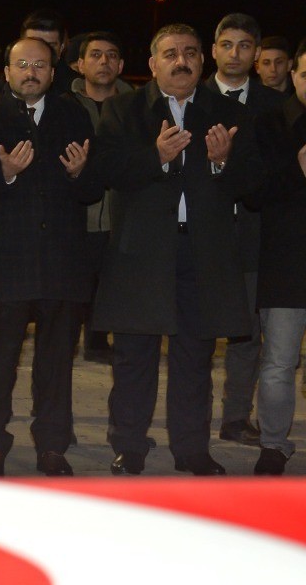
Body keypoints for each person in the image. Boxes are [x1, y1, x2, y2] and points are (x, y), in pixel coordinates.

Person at [93, 23, 260, 476]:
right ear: (152, 64)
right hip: (142, 256)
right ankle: (129, 445)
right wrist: (155, 156)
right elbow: (102, 169)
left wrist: (225, 162)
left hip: (202, 254)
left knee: (194, 359)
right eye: (169, 53)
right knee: (134, 359)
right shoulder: (123, 109)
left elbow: (255, 188)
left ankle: (191, 450)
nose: (180, 60)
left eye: (189, 52)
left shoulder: (226, 112)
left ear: (202, 61)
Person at [0, 38, 101, 476]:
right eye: (21, 64)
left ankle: (52, 445)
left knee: (56, 362)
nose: (30, 72)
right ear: (6, 71)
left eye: (39, 65)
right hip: (6, 261)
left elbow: (92, 190)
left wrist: (81, 173)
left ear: (53, 72)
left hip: (62, 261)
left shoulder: (73, 114)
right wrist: (3, 173)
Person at [205, 13, 287, 447]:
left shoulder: (275, 108)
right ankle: (191, 419)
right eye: (227, 44)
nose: (234, 53)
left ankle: (236, 417)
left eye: (244, 46)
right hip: (201, 235)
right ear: (214, 49)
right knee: (195, 334)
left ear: (256, 54)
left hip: (256, 235)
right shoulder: (190, 98)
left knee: (247, 335)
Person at [250, 42, 306, 475]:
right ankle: (273, 444)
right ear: (294, 75)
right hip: (288, 262)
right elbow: (253, 192)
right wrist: (297, 170)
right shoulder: (270, 124)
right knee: (278, 362)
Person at [70, 31, 133, 362]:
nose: (103, 62)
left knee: (111, 283)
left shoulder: (136, 105)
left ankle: (97, 340)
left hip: (118, 214)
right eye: (95, 55)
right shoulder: (65, 106)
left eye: (111, 55)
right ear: (80, 64)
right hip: (77, 215)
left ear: (121, 64)